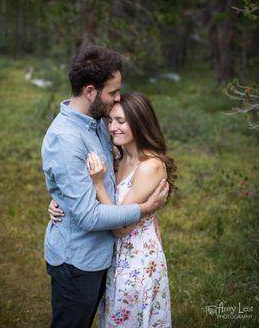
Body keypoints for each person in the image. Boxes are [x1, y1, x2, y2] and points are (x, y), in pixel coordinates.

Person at [42, 45, 169, 328]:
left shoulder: (97, 122)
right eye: (112, 92)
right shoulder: (67, 139)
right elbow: (87, 216)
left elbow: (88, 183)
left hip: (104, 257)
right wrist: (145, 208)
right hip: (78, 262)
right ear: (90, 91)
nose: (117, 97)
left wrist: (61, 198)